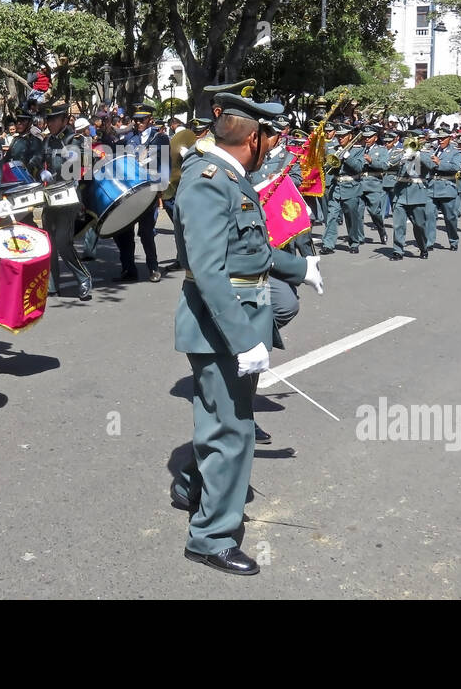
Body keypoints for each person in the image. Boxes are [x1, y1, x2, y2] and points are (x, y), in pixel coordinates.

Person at [168, 93, 318, 576]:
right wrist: (243, 339)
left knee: (223, 419)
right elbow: (209, 270)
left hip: (240, 316)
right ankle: (210, 537)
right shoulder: (208, 181)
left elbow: (253, 250)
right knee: (232, 430)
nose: (271, 146)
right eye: (268, 137)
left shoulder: (232, 177)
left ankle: (192, 483)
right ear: (252, 138)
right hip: (221, 325)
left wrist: (300, 266)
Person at [39, 102, 92, 300]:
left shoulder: (74, 140)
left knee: (63, 241)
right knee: (49, 242)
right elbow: (40, 162)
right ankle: (53, 285)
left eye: (53, 119)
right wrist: (37, 170)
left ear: (63, 120)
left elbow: (78, 166)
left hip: (68, 196)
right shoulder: (47, 141)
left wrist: (55, 173)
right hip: (50, 196)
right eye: (48, 119)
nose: (49, 123)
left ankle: (84, 277)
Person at [114, 101, 169, 281]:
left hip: (149, 190)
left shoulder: (160, 138)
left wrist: (161, 187)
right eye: (136, 120)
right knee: (125, 231)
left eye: (142, 120)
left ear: (150, 120)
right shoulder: (130, 138)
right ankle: (129, 269)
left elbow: (165, 165)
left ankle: (153, 268)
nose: (138, 123)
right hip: (131, 191)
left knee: (146, 232)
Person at [388, 129, 433, 260]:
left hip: (417, 193)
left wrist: (417, 154)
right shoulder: (400, 152)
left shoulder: (425, 152)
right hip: (400, 193)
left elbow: (431, 165)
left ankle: (423, 247)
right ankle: (398, 251)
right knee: (398, 224)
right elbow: (388, 163)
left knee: (419, 225)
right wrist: (402, 155)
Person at [324, 124, 365, 253]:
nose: (340, 138)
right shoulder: (332, 149)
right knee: (331, 216)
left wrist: (347, 156)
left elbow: (359, 168)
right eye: (338, 136)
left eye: (343, 136)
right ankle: (328, 244)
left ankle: (354, 242)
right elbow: (328, 170)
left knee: (351, 217)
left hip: (351, 187)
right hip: (336, 187)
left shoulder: (358, 150)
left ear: (350, 136)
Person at [426, 128, 461, 250]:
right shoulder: (433, 150)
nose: (440, 141)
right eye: (439, 138)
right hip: (432, 188)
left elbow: (456, 167)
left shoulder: (455, 152)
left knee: (450, 217)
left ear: (449, 138)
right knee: (429, 215)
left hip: (446, 188)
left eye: (443, 138)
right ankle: (429, 242)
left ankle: (453, 240)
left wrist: (439, 163)